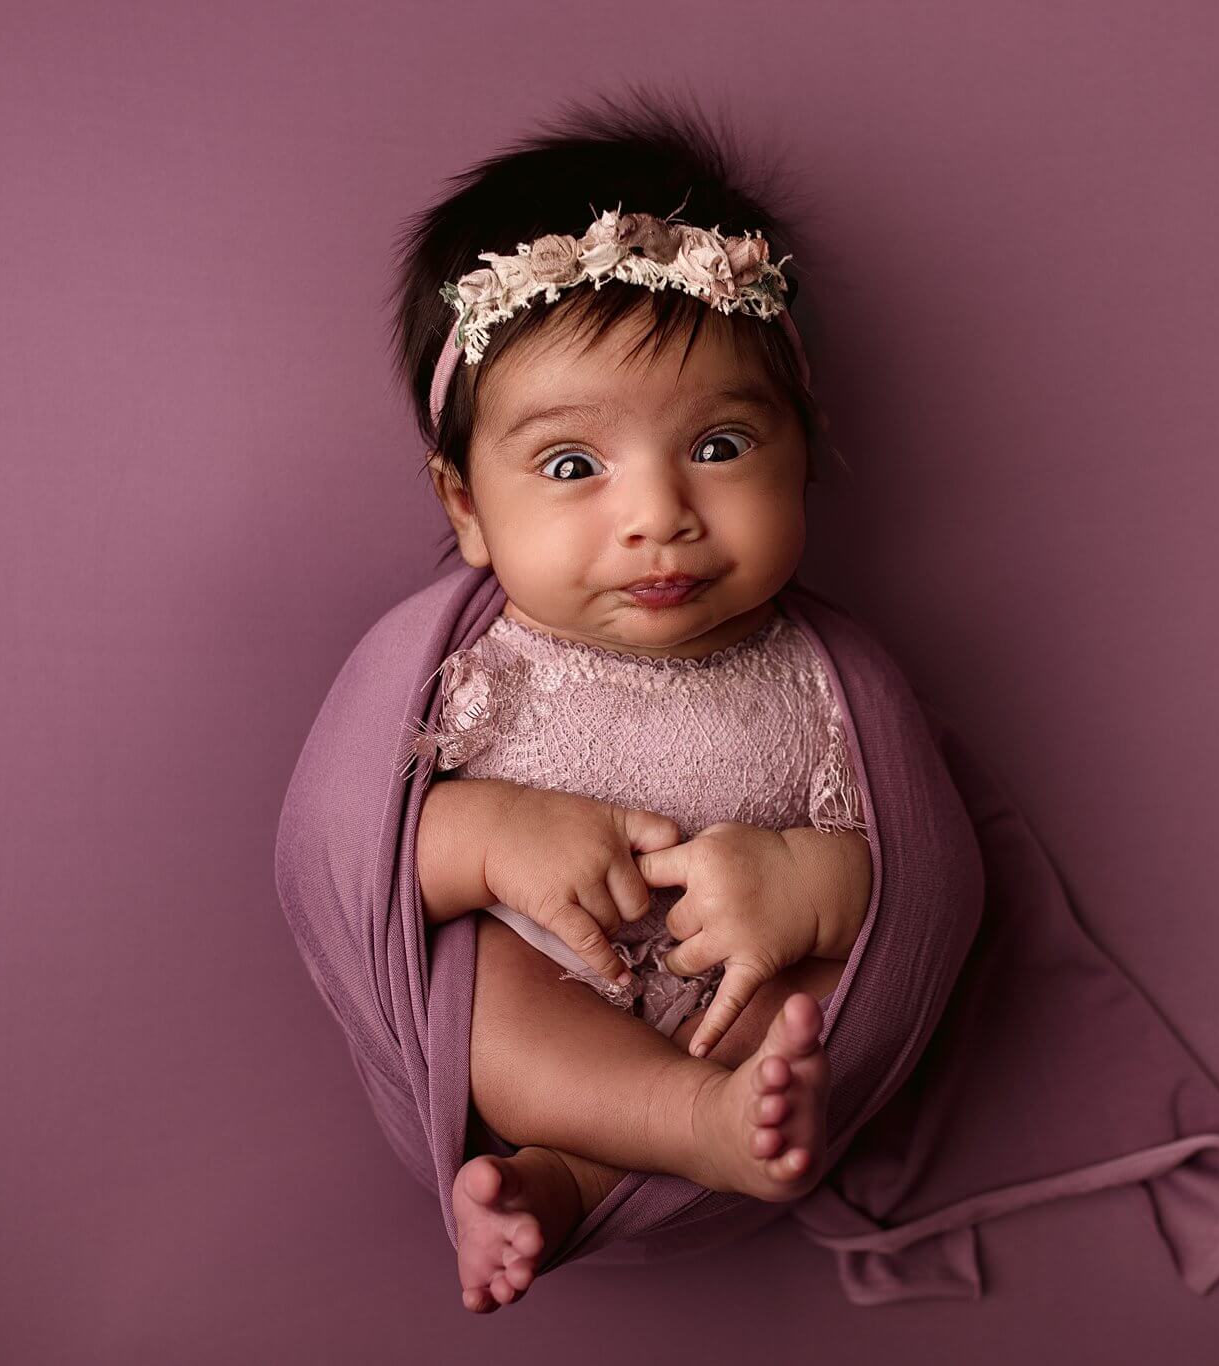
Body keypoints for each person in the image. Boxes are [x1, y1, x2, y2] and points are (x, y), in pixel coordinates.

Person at [386, 88, 873, 1313]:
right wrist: (488, 833)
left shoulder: (828, 680)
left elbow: (923, 877)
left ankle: (578, 1175)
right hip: (558, 992)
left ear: (801, 449)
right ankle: (605, 1149)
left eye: (716, 445)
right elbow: (349, 859)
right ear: (463, 509)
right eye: (569, 466)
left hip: (738, 1007)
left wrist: (805, 881)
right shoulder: (472, 671)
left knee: (818, 992)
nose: (656, 513)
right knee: (495, 993)